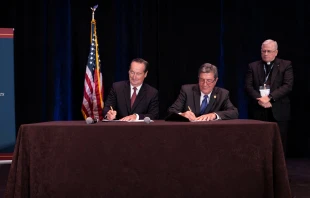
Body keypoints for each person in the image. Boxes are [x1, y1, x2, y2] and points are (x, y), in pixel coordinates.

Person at [244, 39, 294, 155]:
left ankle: (279, 170)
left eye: (269, 51)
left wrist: (270, 97)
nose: (265, 54)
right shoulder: (253, 66)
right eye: (263, 51)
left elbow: (287, 86)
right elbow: (248, 87)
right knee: (258, 142)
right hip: (258, 110)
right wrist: (260, 99)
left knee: (279, 144)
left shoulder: (286, 65)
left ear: (276, 52)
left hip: (279, 110)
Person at [168, 63, 238, 121]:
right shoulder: (187, 90)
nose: (204, 84)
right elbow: (171, 111)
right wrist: (182, 115)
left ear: (215, 80)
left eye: (209, 80)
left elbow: (234, 112)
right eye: (202, 80)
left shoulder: (222, 94)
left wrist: (214, 115)